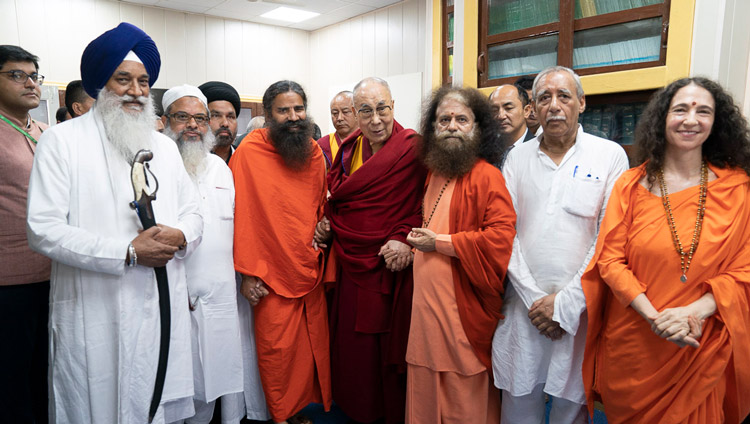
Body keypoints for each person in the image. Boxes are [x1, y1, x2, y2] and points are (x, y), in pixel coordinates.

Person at [26, 23, 203, 423]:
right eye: (123, 79)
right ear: (99, 84)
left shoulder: (164, 147)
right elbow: (43, 228)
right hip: (95, 305)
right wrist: (125, 251)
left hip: (159, 301)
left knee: (152, 395)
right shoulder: (62, 142)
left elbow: (194, 213)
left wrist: (182, 233)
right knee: (95, 401)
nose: (136, 91)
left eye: (143, 81)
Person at [581, 77, 750, 423]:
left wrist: (694, 313)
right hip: (634, 344)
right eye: (681, 109)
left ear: (716, 122)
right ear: (662, 118)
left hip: (699, 345)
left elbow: (745, 268)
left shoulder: (737, 189)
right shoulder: (630, 185)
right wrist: (658, 319)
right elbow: (610, 261)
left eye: (704, 111)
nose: (691, 120)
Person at [492, 66, 628, 424]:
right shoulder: (516, 158)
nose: (554, 106)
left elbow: (608, 237)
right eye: (544, 98)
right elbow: (506, 232)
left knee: (571, 408)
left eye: (564, 96)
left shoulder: (609, 155)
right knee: (519, 400)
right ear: (533, 108)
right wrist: (538, 301)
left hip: (580, 309)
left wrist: (565, 304)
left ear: (581, 103)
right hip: (524, 307)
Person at [318, 77, 427, 424]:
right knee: (352, 346)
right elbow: (339, 197)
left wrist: (404, 237)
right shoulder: (349, 148)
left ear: (393, 106)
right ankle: (355, 409)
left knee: (388, 346)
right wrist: (328, 220)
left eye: (382, 109)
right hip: (352, 258)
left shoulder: (413, 148)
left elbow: (425, 205)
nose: (376, 119)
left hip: (392, 262)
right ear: (356, 113)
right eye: (366, 111)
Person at [405, 86, 516, 423]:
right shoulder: (434, 172)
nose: (452, 126)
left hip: (462, 311)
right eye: (444, 120)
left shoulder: (488, 176)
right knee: (424, 381)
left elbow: (500, 240)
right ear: (433, 128)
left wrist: (439, 243)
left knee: (461, 393)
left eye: (461, 119)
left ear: (478, 127)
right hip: (426, 308)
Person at [230, 80, 331, 424]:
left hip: (307, 262)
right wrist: (247, 271)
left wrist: (323, 228)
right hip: (268, 269)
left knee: (306, 348)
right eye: (283, 110)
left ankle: (298, 409)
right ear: (269, 114)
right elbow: (243, 214)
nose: (293, 117)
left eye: (298, 109)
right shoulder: (250, 151)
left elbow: (319, 205)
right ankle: (279, 414)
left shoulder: (314, 152)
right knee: (277, 350)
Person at [161, 85, 249, 424]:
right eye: (183, 118)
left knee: (214, 382)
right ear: (166, 121)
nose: (194, 126)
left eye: (201, 118)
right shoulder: (154, 166)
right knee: (175, 385)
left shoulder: (220, 168)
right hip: (174, 295)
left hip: (221, 295)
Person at [0, 44, 51, 424]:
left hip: (56, 272)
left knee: (46, 371)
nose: (30, 83)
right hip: (8, 281)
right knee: (11, 377)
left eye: (34, 75)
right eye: (17, 75)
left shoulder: (48, 133)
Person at [489, 84, 534, 168]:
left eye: (508, 108)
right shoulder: (485, 152)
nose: (501, 116)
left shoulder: (540, 149)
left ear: (526, 111)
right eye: (494, 110)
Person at [199, 81, 241, 164]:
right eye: (216, 116)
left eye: (230, 117)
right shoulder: (189, 161)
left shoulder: (244, 157)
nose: (225, 123)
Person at [317, 91, 358, 169]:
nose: (339, 118)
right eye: (335, 113)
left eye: (345, 112)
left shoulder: (367, 140)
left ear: (356, 112)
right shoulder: (322, 145)